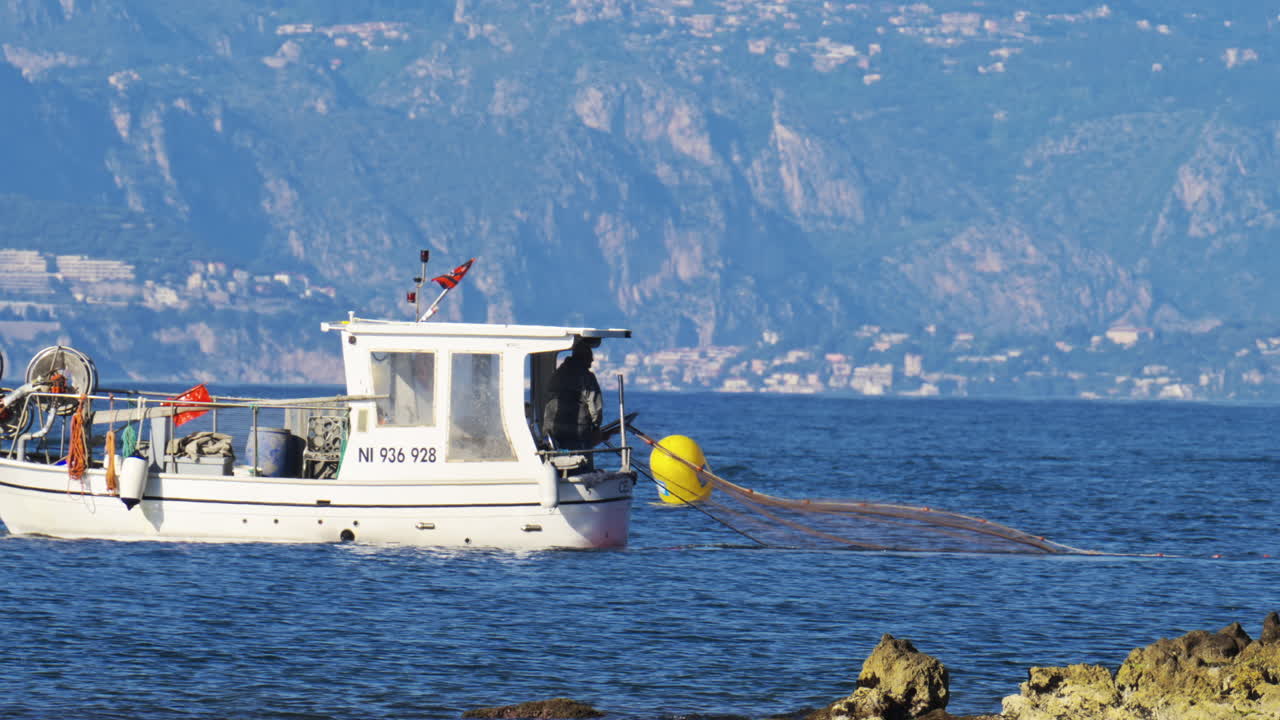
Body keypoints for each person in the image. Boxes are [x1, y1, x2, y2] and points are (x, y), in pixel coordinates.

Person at [543, 338, 609, 452]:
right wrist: (596, 427)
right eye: (590, 356)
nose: (592, 360)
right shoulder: (586, 376)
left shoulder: (557, 374)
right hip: (578, 431)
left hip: (553, 429)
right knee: (582, 458)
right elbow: (594, 406)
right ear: (583, 358)